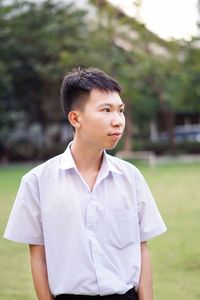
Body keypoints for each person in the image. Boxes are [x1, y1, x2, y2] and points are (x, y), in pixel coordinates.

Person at [4, 67, 167, 300]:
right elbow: (38, 256)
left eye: (120, 110)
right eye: (106, 110)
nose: (117, 121)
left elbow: (142, 248)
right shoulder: (37, 182)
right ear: (75, 118)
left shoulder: (131, 178)